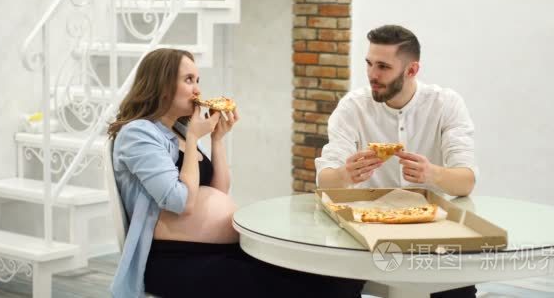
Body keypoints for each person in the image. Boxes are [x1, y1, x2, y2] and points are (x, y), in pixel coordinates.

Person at [108, 48, 364, 298]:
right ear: (162, 86)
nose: (197, 89)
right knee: (316, 286)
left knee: (337, 277)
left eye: (198, 80)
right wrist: (196, 135)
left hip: (217, 250)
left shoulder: (179, 130)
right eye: (188, 80)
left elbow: (218, 191)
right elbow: (182, 202)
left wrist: (218, 140)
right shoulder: (139, 133)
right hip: (173, 259)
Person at [315, 25, 478, 297]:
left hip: (433, 233)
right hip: (366, 233)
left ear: (412, 70)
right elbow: (325, 181)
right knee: (330, 286)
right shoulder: (352, 107)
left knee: (457, 290)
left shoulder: (446, 104)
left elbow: (466, 182)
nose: (372, 75)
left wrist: (431, 174)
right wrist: (345, 175)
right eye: (369, 64)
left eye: (383, 67)